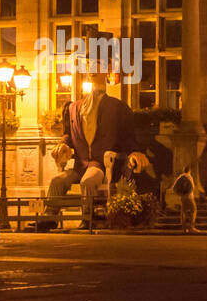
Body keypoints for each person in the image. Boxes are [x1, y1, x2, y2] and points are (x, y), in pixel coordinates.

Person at [47, 71, 141, 229]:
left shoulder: (116, 107)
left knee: (88, 181)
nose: (92, 71)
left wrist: (134, 153)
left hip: (98, 165)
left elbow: (127, 138)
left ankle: (87, 218)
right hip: (80, 164)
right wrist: (63, 144)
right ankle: (49, 217)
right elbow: (68, 134)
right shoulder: (73, 108)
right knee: (56, 181)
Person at [170, 166, 199, 233]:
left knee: (183, 212)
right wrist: (187, 194)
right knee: (194, 210)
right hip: (189, 197)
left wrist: (180, 194)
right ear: (189, 171)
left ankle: (184, 229)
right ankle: (191, 227)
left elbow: (174, 188)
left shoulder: (180, 177)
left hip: (182, 198)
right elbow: (192, 188)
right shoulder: (189, 177)